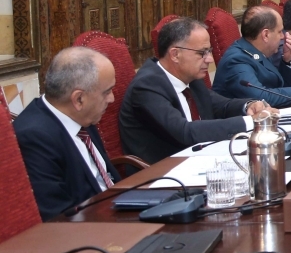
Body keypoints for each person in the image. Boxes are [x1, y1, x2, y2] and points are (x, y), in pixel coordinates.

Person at [120, 18, 272, 164]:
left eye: (210, 51)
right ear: (175, 54)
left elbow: (218, 105)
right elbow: (184, 132)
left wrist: (249, 106)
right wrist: (249, 122)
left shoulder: (190, 78)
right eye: (202, 53)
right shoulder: (147, 86)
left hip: (197, 160)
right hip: (162, 175)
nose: (210, 59)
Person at [14, 47, 122, 220]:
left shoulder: (82, 115)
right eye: (107, 92)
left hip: (118, 210)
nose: (112, 99)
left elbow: (107, 179)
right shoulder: (34, 138)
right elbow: (58, 216)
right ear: (79, 99)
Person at [213, 6, 291, 107]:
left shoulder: (260, 51)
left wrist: (287, 61)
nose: (283, 36)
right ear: (265, 35)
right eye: (280, 31)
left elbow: (278, 87)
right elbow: (261, 98)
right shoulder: (237, 61)